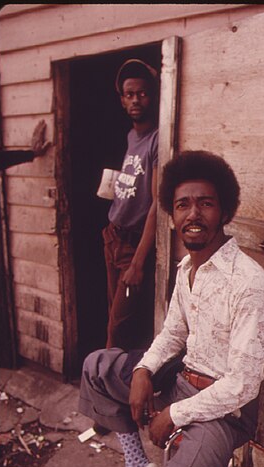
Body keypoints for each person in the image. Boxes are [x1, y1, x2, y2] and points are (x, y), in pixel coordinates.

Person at [79, 150, 264, 467]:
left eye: (205, 203)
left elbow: (244, 385)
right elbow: (172, 333)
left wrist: (177, 414)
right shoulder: (187, 268)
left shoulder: (249, 284)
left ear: (224, 211)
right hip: (179, 378)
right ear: (172, 213)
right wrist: (145, 371)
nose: (193, 213)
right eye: (183, 204)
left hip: (224, 410)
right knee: (98, 366)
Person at [102, 58, 159, 352]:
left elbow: (156, 204)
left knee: (118, 327)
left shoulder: (157, 140)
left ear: (152, 96)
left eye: (142, 93)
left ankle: (103, 392)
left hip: (132, 248)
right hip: (113, 236)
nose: (135, 99)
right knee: (113, 316)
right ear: (122, 101)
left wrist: (137, 263)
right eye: (129, 94)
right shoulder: (130, 136)